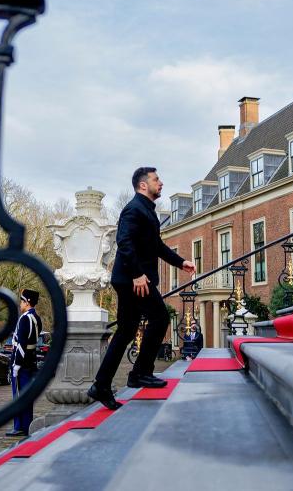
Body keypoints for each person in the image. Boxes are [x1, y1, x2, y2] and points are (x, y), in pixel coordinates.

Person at [88, 167, 195, 410]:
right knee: (159, 318)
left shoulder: (147, 211)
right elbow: (123, 241)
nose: (161, 183)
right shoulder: (133, 209)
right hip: (133, 280)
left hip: (133, 279)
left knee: (126, 331)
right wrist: (137, 274)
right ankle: (140, 373)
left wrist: (181, 262)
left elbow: (156, 245)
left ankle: (101, 385)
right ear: (143, 185)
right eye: (157, 179)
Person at [6, 288, 43, 437]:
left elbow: (21, 343)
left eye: (22, 301)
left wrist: (16, 364)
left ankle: (20, 426)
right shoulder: (36, 318)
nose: (20, 304)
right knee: (26, 394)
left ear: (27, 302)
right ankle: (27, 424)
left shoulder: (25, 318)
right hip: (31, 360)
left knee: (19, 394)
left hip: (22, 362)